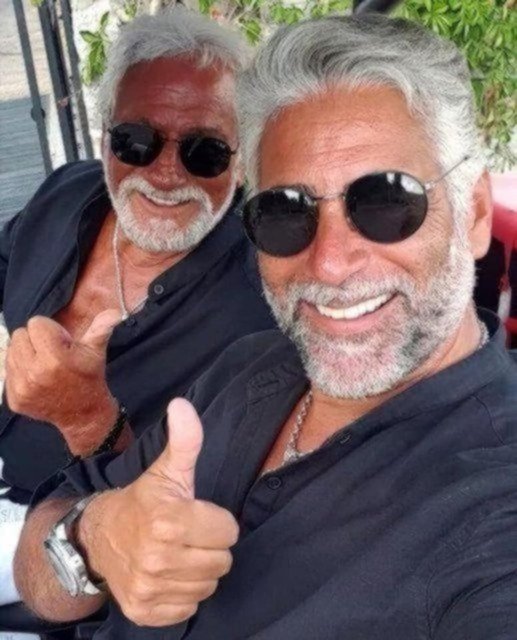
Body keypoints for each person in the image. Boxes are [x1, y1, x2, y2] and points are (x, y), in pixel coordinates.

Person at [15, 13, 517, 640]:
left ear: (473, 214)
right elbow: (39, 562)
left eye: (387, 202)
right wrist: (91, 540)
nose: (330, 263)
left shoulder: (490, 511)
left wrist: (90, 423)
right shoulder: (249, 369)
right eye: (285, 211)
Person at [0, 7, 274, 609]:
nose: (165, 173)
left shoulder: (261, 308)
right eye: (136, 141)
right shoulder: (67, 193)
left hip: (60, 555)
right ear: (105, 137)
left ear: (243, 159)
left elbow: (176, 520)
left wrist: (89, 421)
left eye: (205, 152)